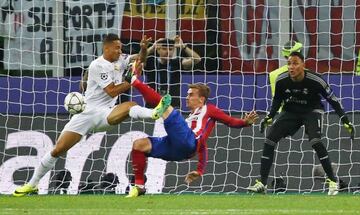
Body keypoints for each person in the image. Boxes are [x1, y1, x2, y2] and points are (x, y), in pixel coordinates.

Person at [12, 33, 151, 197]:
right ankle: (32, 185)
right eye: (117, 48)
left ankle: (154, 113)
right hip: (86, 113)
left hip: (105, 112)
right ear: (106, 48)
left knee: (130, 106)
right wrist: (131, 81)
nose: (120, 51)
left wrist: (143, 50)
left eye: (121, 48)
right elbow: (112, 91)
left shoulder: (120, 59)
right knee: (58, 149)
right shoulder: (97, 65)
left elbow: (139, 60)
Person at [121, 68, 258, 197]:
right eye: (187, 95)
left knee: (167, 108)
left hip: (188, 141)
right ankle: (139, 186)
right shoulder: (191, 120)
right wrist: (199, 170)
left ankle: (134, 80)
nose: (187, 97)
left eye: (191, 95)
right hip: (178, 149)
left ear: (201, 99)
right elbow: (203, 145)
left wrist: (245, 122)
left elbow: (230, 121)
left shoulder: (209, 109)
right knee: (139, 144)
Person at [248, 52, 355, 196]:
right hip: (291, 111)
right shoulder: (281, 80)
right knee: (269, 140)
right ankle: (262, 183)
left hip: (312, 111)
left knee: (315, 141)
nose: (291, 67)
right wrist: (270, 116)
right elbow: (277, 101)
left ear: (303, 65)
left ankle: (333, 181)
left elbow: (333, 100)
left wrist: (345, 120)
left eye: (295, 63)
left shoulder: (316, 80)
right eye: (289, 64)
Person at [144, 35, 201, 108]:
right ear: (158, 50)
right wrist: (152, 47)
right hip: (152, 106)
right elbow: (138, 59)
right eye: (164, 49)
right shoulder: (150, 61)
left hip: (173, 106)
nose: (168, 52)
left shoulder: (177, 62)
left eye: (171, 49)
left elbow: (197, 59)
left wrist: (183, 46)